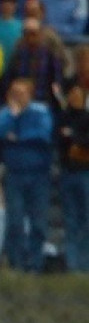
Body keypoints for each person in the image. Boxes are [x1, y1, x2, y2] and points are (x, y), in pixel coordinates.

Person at [0, 76, 55, 272]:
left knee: (38, 223)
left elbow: (43, 134)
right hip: (15, 174)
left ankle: (35, 264)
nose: (17, 96)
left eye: (21, 93)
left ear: (30, 94)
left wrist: (18, 137)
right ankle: (16, 262)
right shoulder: (6, 112)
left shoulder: (40, 111)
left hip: (38, 174)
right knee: (14, 221)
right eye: (14, 93)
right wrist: (13, 115)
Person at [59, 82, 89, 272]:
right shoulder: (63, 117)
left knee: (86, 218)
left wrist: (74, 137)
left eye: (78, 95)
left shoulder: (87, 118)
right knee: (70, 219)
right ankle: (73, 264)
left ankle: (85, 263)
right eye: (72, 95)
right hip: (68, 172)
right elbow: (58, 139)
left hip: (85, 172)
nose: (74, 98)